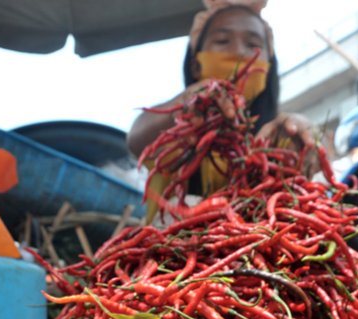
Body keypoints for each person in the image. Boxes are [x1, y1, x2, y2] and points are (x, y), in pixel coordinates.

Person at [126, 0, 317, 221]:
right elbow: (137, 140)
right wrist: (183, 104)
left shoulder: (276, 140)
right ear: (196, 64)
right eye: (222, 40)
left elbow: (312, 175)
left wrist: (306, 136)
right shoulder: (177, 134)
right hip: (168, 252)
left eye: (252, 44)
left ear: (268, 68)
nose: (237, 52)